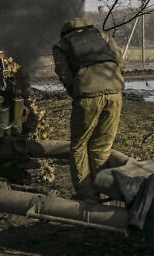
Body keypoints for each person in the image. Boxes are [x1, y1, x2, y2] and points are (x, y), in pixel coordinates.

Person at [53, 17, 125, 202]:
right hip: (116, 92)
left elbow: (64, 74)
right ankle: (103, 188)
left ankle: (87, 195)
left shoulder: (62, 45)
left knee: (78, 146)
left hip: (87, 96)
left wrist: (76, 92)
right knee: (101, 147)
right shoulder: (102, 36)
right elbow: (119, 60)